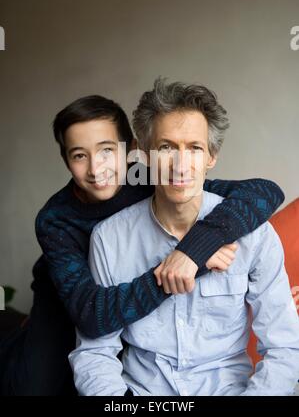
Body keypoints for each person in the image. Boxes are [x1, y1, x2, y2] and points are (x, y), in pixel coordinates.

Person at [0, 94, 284, 395]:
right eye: (79, 155)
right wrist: (190, 265)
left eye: (107, 151)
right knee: (33, 385)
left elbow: (262, 192)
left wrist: (196, 246)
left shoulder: (158, 178)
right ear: (66, 160)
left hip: (126, 303)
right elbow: (91, 318)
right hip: (69, 300)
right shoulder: (55, 219)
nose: (97, 169)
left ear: (133, 151)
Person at [69, 79, 299, 396]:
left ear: (212, 156)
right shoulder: (109, 239)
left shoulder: (254, 234)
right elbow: (95, 353)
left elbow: (285, 347)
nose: (181, 164)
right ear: (146, 155)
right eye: (166, 147)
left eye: (194, 148)